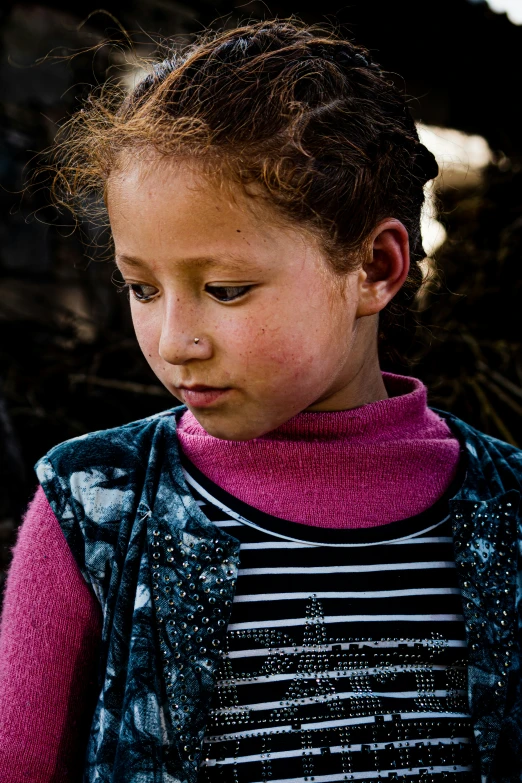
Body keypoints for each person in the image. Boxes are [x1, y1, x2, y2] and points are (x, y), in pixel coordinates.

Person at [0, 18, 520, 783]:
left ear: (376, 267)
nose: (175, 340)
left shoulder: (508, 510)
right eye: (141, 287)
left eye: (226, 289)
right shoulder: (96, 509)